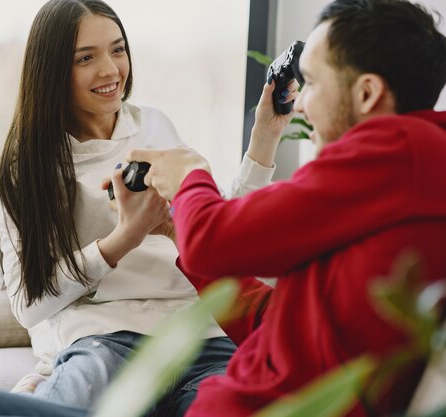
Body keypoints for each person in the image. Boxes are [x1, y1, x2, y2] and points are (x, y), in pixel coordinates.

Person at [0, 0, 298, 416]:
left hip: (199, 336)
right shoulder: (27, 166)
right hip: (105, 341)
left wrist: (265, 136)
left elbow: (220, 239)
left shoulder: (156, 126)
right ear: (51, 72)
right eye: (85, 58)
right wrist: (121, 239)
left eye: (117, 50)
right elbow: (30, 303)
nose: (110, 70)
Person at [126, 0, 446, 416]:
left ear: (367, 93)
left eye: (311, 83)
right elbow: (276, 323)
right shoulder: (405, 176)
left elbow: (211, 238)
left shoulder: (398, 150)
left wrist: (190, 174)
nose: (299, 104)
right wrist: (175, 230)